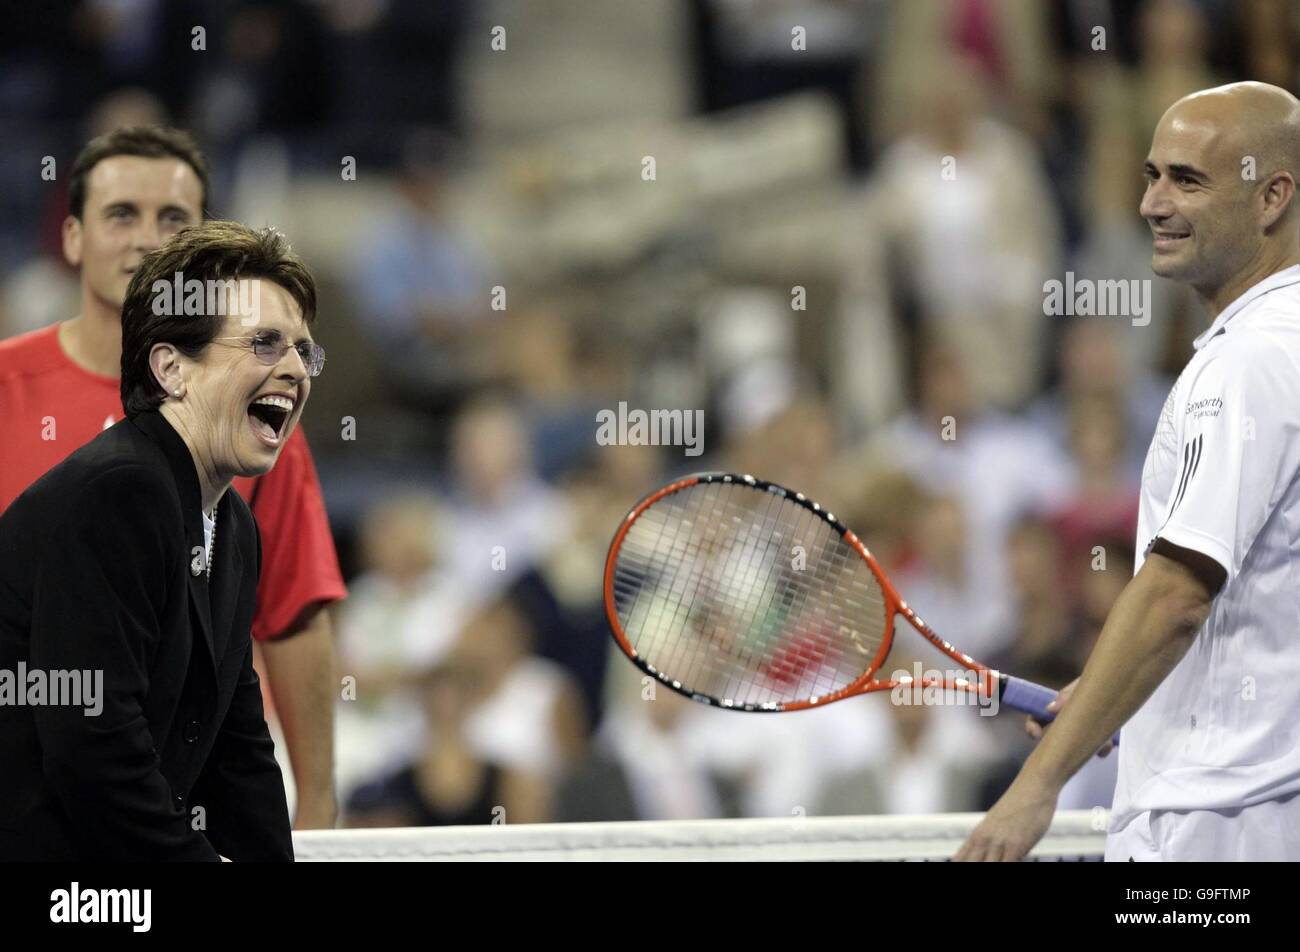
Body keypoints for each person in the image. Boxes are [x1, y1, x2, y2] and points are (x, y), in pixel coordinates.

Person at [958, 81, 1300, 861]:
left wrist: (1036, 785)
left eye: (1188, 179)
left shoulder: (1250, 360)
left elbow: (1177, 593)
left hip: (1218, 823)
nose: (1151, 203)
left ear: (1271, 196)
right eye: (1151, 175)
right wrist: (1119, 700)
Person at [0, 127, 344, 829]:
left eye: (174, 220)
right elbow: (92, 743)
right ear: (71, 238)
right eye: (123, 214)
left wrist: (317, 809)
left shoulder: (252, 450)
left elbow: (288, 618)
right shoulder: (98, 466)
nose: (149, 241)